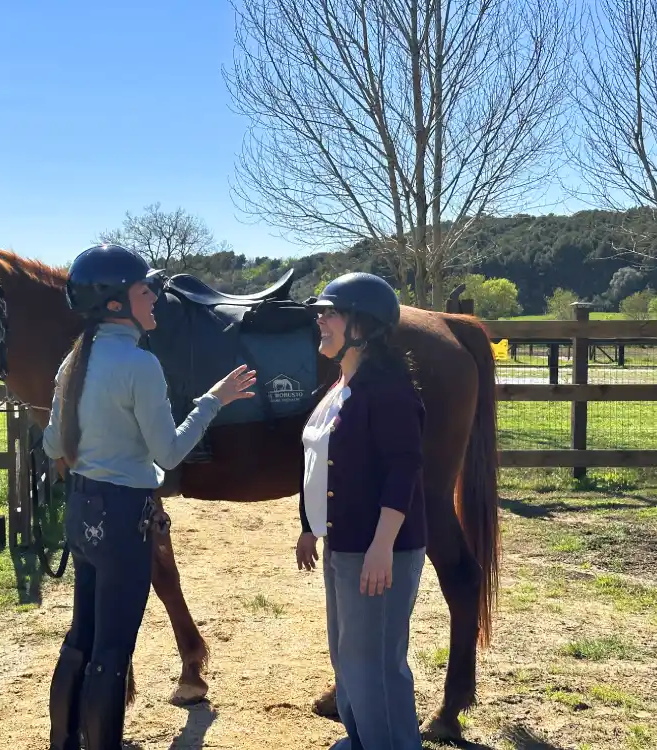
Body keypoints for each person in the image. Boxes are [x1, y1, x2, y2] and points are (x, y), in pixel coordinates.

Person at [42, 243, 256, 750]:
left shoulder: (74, 361)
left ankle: (64, 740)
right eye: (145, 290)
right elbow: (170, 451)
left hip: (83, 510)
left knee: (81, 637)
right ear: (117, 303)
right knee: (113, 648)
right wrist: (212, 401)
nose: (155, 297)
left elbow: (53, 444)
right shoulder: (139, 365)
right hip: (124, 519)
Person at [295, 272, 427, 750]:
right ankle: (361, 739)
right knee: (347, 654)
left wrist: (382, 545)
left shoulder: (388, 390)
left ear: (362, 326)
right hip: (343, 544)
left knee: (376, 662)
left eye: (331, 312)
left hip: (376, 548)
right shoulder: (340, 387)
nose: (321, 321)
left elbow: (403, 469)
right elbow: (318, 460)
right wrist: (309, 527)